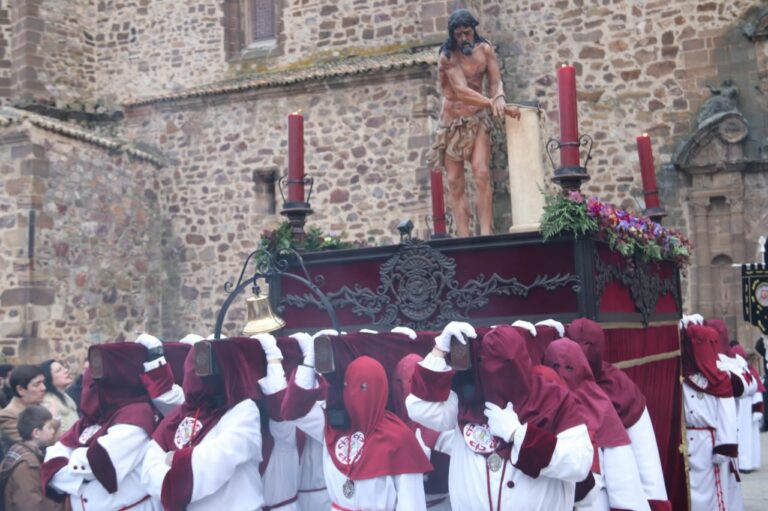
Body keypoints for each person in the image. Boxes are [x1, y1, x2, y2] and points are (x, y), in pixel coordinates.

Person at [406, 322, 593, 510]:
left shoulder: (552, 401)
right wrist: (439, 350)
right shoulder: (469, 398)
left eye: (509, 367)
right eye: (491, 369)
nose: (502, 378)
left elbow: (579, 463)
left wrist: (519, 435)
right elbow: (419, 408)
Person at [281, 339, 433, 511]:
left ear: (380, 388)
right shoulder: (333, 429)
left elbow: (411, 506)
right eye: (347, 386)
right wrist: (308, 363)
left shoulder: (400, 438)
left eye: (363, 387)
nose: (353, 394)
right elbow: (294, 411)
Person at [140, 338, 265, 510]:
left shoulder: (243, 410)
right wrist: (175, 474)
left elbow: (217, 459)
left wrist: (172, 458)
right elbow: (149, 469)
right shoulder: (178, 416)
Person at [565, 318, 671, 510]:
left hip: (604, 496)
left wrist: (654, 501)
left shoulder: (621, 389)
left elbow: (645, 456)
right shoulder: (556, 386)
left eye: (589, 345)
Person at [432, 9, 521, 237]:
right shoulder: (447, 57)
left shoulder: (485, 50)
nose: (464, 39)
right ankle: (463, 237)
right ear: (453, 35)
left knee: (481, 172)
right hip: (452, 121)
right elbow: (461, 92)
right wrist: (494, 104)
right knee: (454, 181)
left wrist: (499, 95)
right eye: (459, 34)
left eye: (467, 33)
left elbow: (496, 80)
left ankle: (486, 233)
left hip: (478, 119)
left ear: (474, 31)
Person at [41, 343, 157, 511]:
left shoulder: (136, 414)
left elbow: (102, 462)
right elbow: (53, 459)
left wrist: (71, 464)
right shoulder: (93, 417)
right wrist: (82, 475)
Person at [543, 338, 649, 511]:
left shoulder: (599, 405)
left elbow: (622, 476)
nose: (562, 374)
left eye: (569, 367)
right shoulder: (544, 405)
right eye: (555, 366)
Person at [679, 316, 738, 511]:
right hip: (688, 443)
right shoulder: (682, 375)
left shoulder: (720, 380)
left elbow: (727, 416)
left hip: (709, 446)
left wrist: (725, 446)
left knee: (714, 495)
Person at [0, 405, 61, 511]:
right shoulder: (28, 465)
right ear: (36, 433)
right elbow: (30, 505)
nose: (53, 431)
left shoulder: (17, 450)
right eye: (49, 427)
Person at [0, 364, 46, 452]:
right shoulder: (7, 416)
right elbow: (30, 445)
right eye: (37, 384)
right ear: (20, 389)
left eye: (43, 382)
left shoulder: (41, 408)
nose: (44, 388)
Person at [40, 360, 78, 435]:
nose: (66, 371)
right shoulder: (49, 403)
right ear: (49, 378)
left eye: (64, 368)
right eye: (58, 370)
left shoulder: (66, 397)